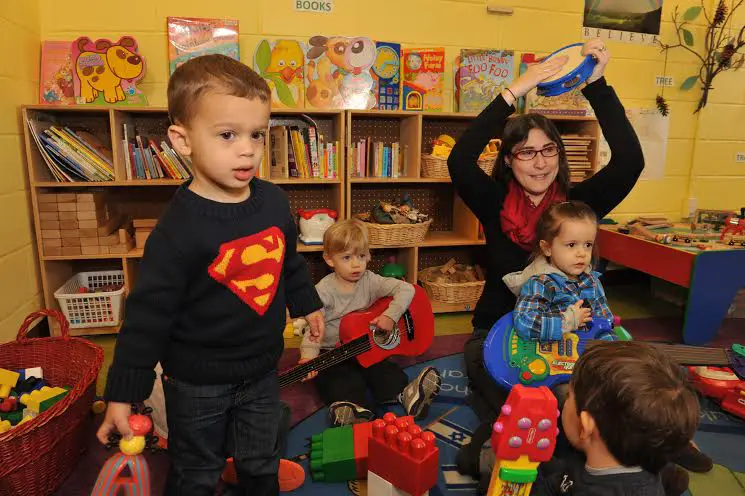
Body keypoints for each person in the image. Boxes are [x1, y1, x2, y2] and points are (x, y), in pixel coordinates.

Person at [447, 38, 712, 475]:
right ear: (509, 161)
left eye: (548, 149)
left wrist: (597, 83)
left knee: (595, 397)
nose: (539, 162)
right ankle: (508, 453)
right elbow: (459, 160)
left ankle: (658, 448)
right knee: (532, 404)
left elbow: (629, 161)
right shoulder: (493, 202)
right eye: (526, 152)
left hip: (571, 339)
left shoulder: (577, 208)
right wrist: (521, 86)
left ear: (560, 153)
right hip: (497, 334)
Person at [96, 54, 325, 496]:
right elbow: (146, 321)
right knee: (196, 472)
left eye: (257, 134)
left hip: (261, 369)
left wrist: (307, 301)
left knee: (261, 462)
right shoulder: (176, 232)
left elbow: (287, 260)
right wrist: (123, 395)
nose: (248, 149)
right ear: (182, 140)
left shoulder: (275, 202)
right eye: (227, 135)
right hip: (196, 382)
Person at [298, 219, 442, 426]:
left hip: (367, 347)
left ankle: (408, 395)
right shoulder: (323, 291)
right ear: (330, 259)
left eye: (362, 256)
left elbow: (407, 289)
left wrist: (391, 316)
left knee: (383, 370)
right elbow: (314, 330)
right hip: (332, 352)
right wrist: (308, 356)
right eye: (346, 257)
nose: (356, 264)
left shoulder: (370, 280)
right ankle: (353, 411)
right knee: (336, 379)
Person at [530, 341, 700, 495]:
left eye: (568, 395)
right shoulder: (598, 454)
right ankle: (672, 463)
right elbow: (558, 483)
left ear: (585, 426)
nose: (564, 399)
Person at [506, 201, 613, 343]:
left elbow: (603, 322)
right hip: (553, 358)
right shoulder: (541, 282)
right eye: (571, 245)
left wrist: (611, 347)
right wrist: (567, 321)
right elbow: (524, 323)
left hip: (587, 354)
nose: (582, 253)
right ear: (547, 248)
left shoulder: (592, 281)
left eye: (588, 244)